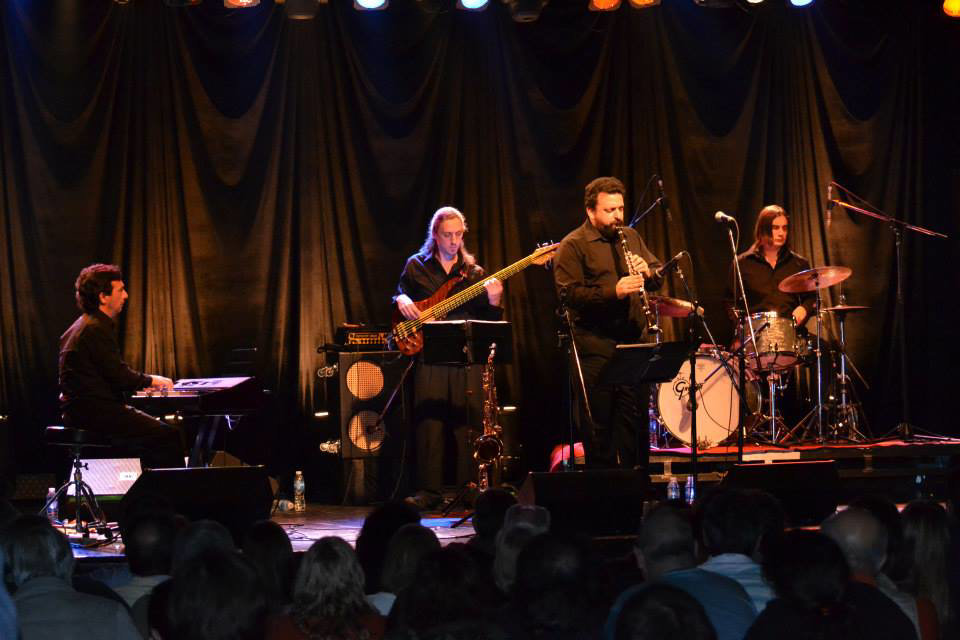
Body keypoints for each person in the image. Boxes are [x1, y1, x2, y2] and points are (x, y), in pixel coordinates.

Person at [393, 207, 504, 509]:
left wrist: (494, 301)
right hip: (429, 356)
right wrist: (401, 298)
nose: (454, 241)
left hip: (464, 358)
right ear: (435, 235)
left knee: (468, 424)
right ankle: (429, 491)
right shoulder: (416, 266)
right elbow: (399, 295)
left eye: (458, 235)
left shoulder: (474, 273)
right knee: (430, 425)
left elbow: (489, 325)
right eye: (447, 235)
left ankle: (470, 488)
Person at [553, 176, 664, 470]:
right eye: (609, 210)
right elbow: (569, 295)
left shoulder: (630, 236)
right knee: (599, 430)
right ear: (590, 211)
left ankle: (636, 487)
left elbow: (657, 275)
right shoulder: (573, 245)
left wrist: (649, 271)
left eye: (620, 208)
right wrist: (613, 291)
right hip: (595, 348)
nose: (617, 216)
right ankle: (603, 490)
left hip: (633, 346)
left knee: (635, 428)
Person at [59, 263, 183, 469]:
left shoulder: (78, 327)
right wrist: (153, 381)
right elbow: (119, 376)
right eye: (120, 290)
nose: (125, 296)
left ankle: (146, 484)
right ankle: (168, 489)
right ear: (103, 297)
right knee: (167, 436)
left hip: (82, 412)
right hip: (96, 413)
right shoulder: (95, 329)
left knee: (150, 433)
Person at [724, 205, 815, 329]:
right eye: (775, 228)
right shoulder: (742, 263)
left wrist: (804, 308)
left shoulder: (799, 263)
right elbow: (730, 302)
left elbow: (811, 298)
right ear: (763, 230)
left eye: (784, 228)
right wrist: (742, 328)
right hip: (755, 333)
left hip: (791, 332)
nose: (781, 233)